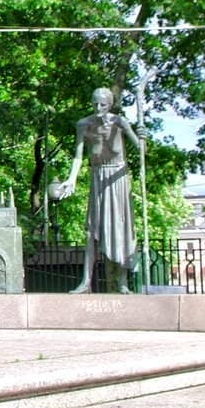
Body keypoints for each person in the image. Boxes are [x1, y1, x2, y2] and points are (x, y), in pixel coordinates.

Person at [52, 87, 143, 294]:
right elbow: (78, 154)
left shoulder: (120, 122)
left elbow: (141, 150)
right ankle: (86, 281)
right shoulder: (84, 124)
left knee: (121, 228)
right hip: (98, 175)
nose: (98, 108)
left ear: (110, 104)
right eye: (95, 103)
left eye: (102, 104)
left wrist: (141, 136)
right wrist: (72, 178)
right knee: (92, 229)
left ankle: (121, 281)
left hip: (118, 177)